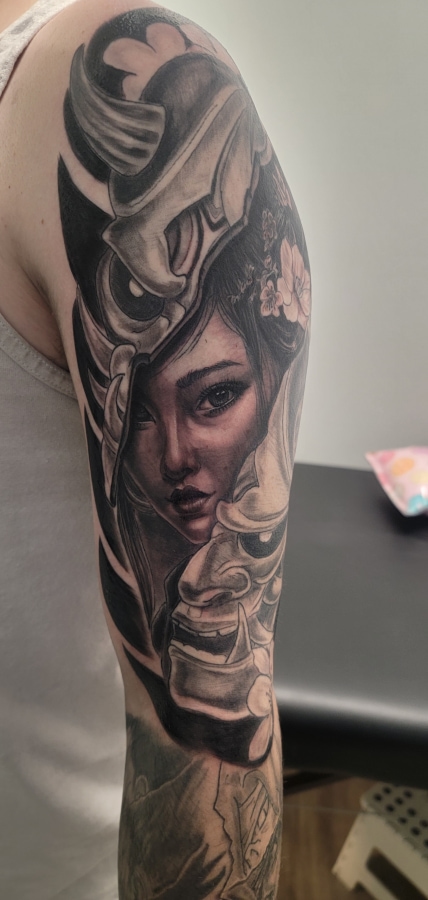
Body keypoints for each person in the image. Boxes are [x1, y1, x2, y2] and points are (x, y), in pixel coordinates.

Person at [0, 1, 310, 897]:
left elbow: (211, 744)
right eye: (139, 412)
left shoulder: (64, 83)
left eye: (215, 397)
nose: (173, 456)